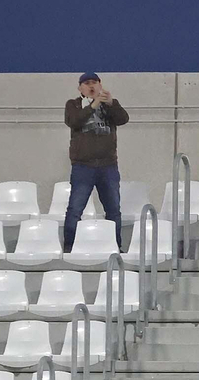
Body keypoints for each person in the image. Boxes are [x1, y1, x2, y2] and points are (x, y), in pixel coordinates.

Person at [63, 73, 128, 251]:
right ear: (80, 88)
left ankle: (115, 246)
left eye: (94, 83)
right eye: (86, 84)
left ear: (100, 85)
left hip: (108, 166)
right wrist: (93, 105)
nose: (91, 86)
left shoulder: (109, 104)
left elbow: (123, 119)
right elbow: (74, 121)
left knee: (113, 209)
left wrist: (111, 104)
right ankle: (70, 248)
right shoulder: (73, 104)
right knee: (75, 209)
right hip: (83, 166)